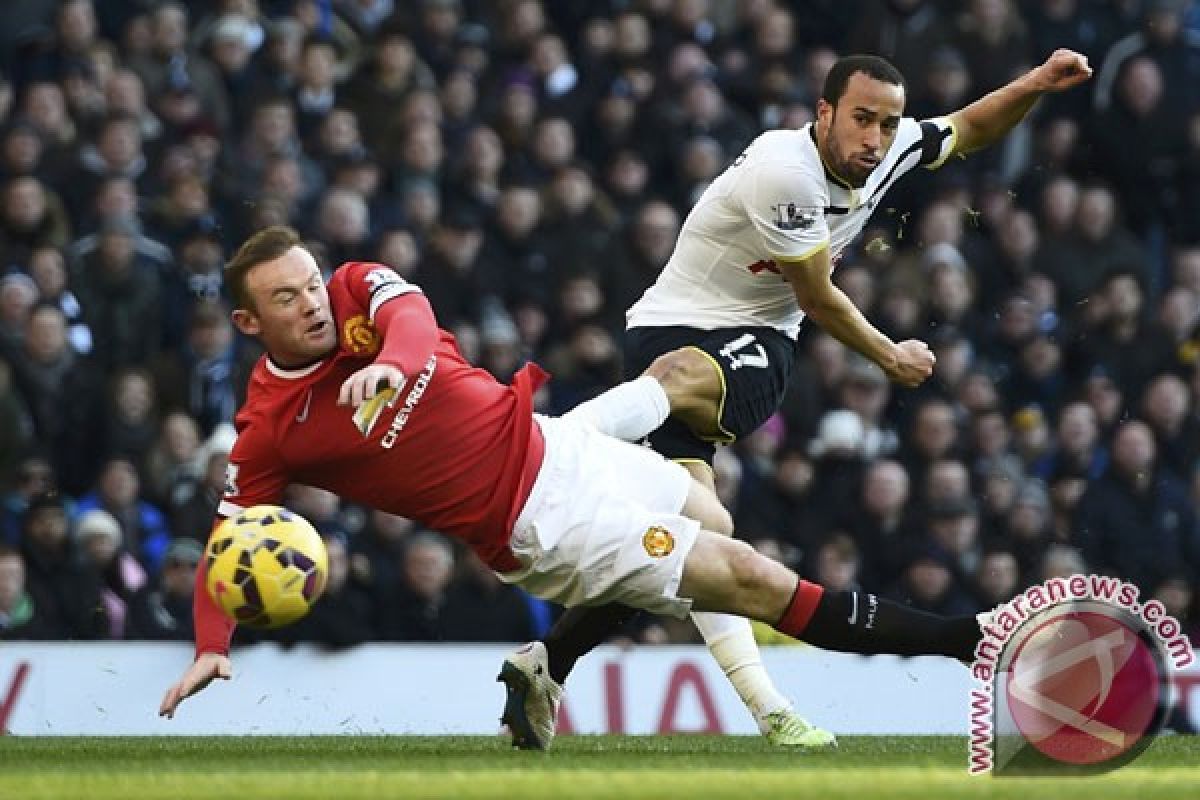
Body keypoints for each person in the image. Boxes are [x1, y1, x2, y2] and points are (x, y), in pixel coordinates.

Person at [158, 228, 982, 744]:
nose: (311, 303)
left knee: (713, 515)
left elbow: (412, 322)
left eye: (309, 282)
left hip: (557, 444)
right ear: (248, 324)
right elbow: (230, 540)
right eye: (285, 298)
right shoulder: (271, 428)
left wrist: (391, 369)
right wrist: (211, 647)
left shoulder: (355, 289)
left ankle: (548, 660)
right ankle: (961, 641)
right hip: (538, 524)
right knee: (748, 578)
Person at [511, 50, 1094, 749]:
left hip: (751, 338)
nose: (874, 139)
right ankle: (555, 617)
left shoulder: (890, 149)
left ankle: (548, 500)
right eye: (861, 120)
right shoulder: (785, 172)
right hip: (673, 332)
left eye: (887, 123)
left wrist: (1035, 82)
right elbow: (817, 297)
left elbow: (969, 126)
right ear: (823, 113)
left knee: (692, 485)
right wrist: (890, 354)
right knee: (700, 538)